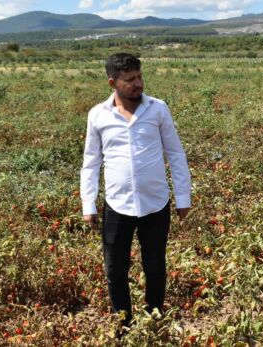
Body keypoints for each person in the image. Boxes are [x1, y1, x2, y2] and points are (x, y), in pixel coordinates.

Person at [80, 52, 192, 328]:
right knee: (115, 270)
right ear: (112, 83)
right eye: (130, 80)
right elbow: (91, 161)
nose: (138, 83)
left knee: (155, 266)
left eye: (140, 76)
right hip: (117, 205)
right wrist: (88, 203)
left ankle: (154, 322)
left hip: (156, 203)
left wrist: (183, 196)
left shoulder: (158, 109)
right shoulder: (98, 115)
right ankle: (123, 325)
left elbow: (175, 154)